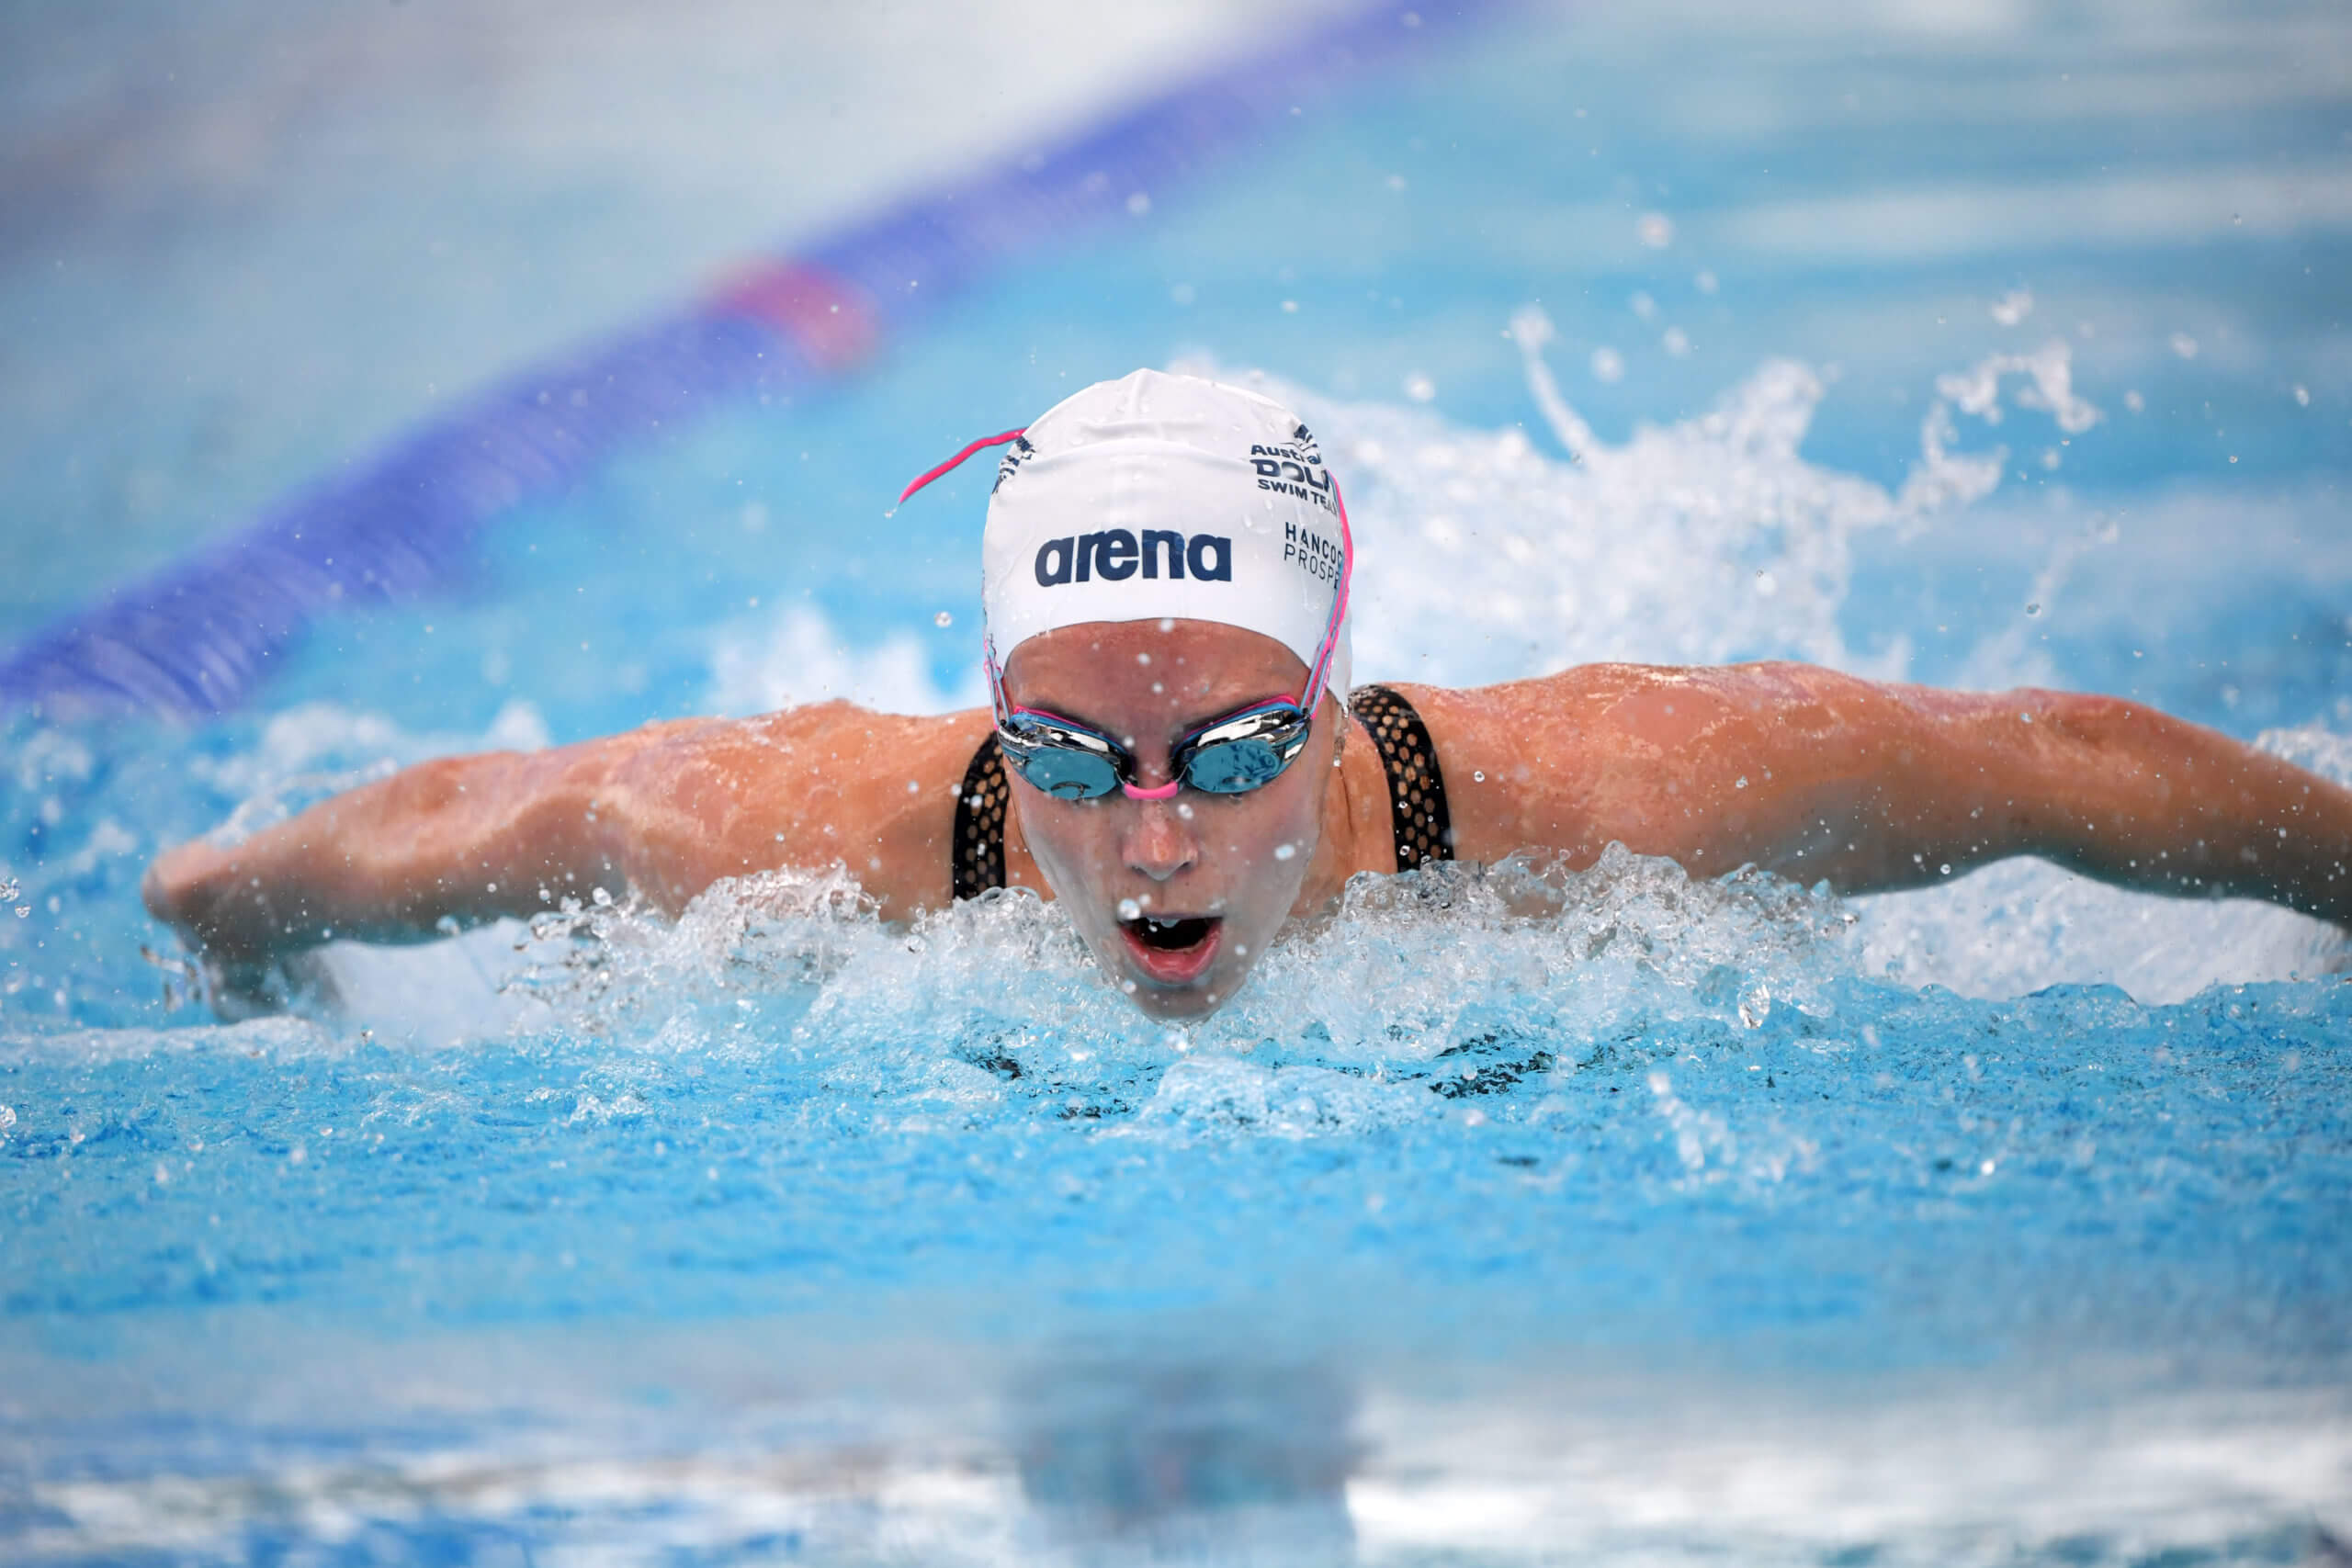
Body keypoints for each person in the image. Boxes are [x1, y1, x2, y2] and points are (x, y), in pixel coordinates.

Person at [143, 370, 2352, 1019]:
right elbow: (504, 813)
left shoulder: (1599, 796)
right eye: (1072, 756)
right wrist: (239, 897)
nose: (1155, 832)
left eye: (1234, 747)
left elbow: (2035, 761)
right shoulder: (825, 837)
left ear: (1330, 683)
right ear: (988, 708)